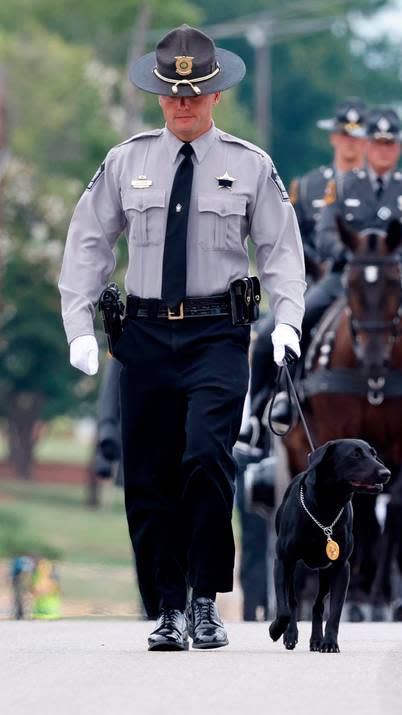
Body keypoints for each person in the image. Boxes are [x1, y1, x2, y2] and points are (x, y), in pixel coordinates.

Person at [58, 24, 306, 651]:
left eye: (196, 94)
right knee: (147, 478)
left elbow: (280, 248)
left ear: (216, 94)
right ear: (160, 96)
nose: (184, 104)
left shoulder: (250, 165)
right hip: (140, 336)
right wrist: (78, 325)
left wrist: (288, 318)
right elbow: (88, 240)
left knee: (204, 460)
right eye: (173, 94)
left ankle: (203, 601)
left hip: (215, 337)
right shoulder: (126, 161)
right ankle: (166, 606)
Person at [299, 107, 402, 400]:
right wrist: (347, 256)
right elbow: (325, 234)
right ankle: (288, 392)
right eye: (377, 142)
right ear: (366, 144)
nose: (383, 150)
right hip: (346, 276)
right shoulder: (342, 186)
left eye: (390, 143)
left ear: (398, 147)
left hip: (401, 276)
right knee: (299, 318)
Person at [244, 98, 369, 438]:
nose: (350, 143)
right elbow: (289, 238)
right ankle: (263, 409)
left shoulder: (379, 187)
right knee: (272, 334)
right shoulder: (309, 186)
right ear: (334, 138)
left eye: (357, 137)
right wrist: (312, 269)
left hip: (370, 284)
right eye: (345, 135)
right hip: (323, 279)